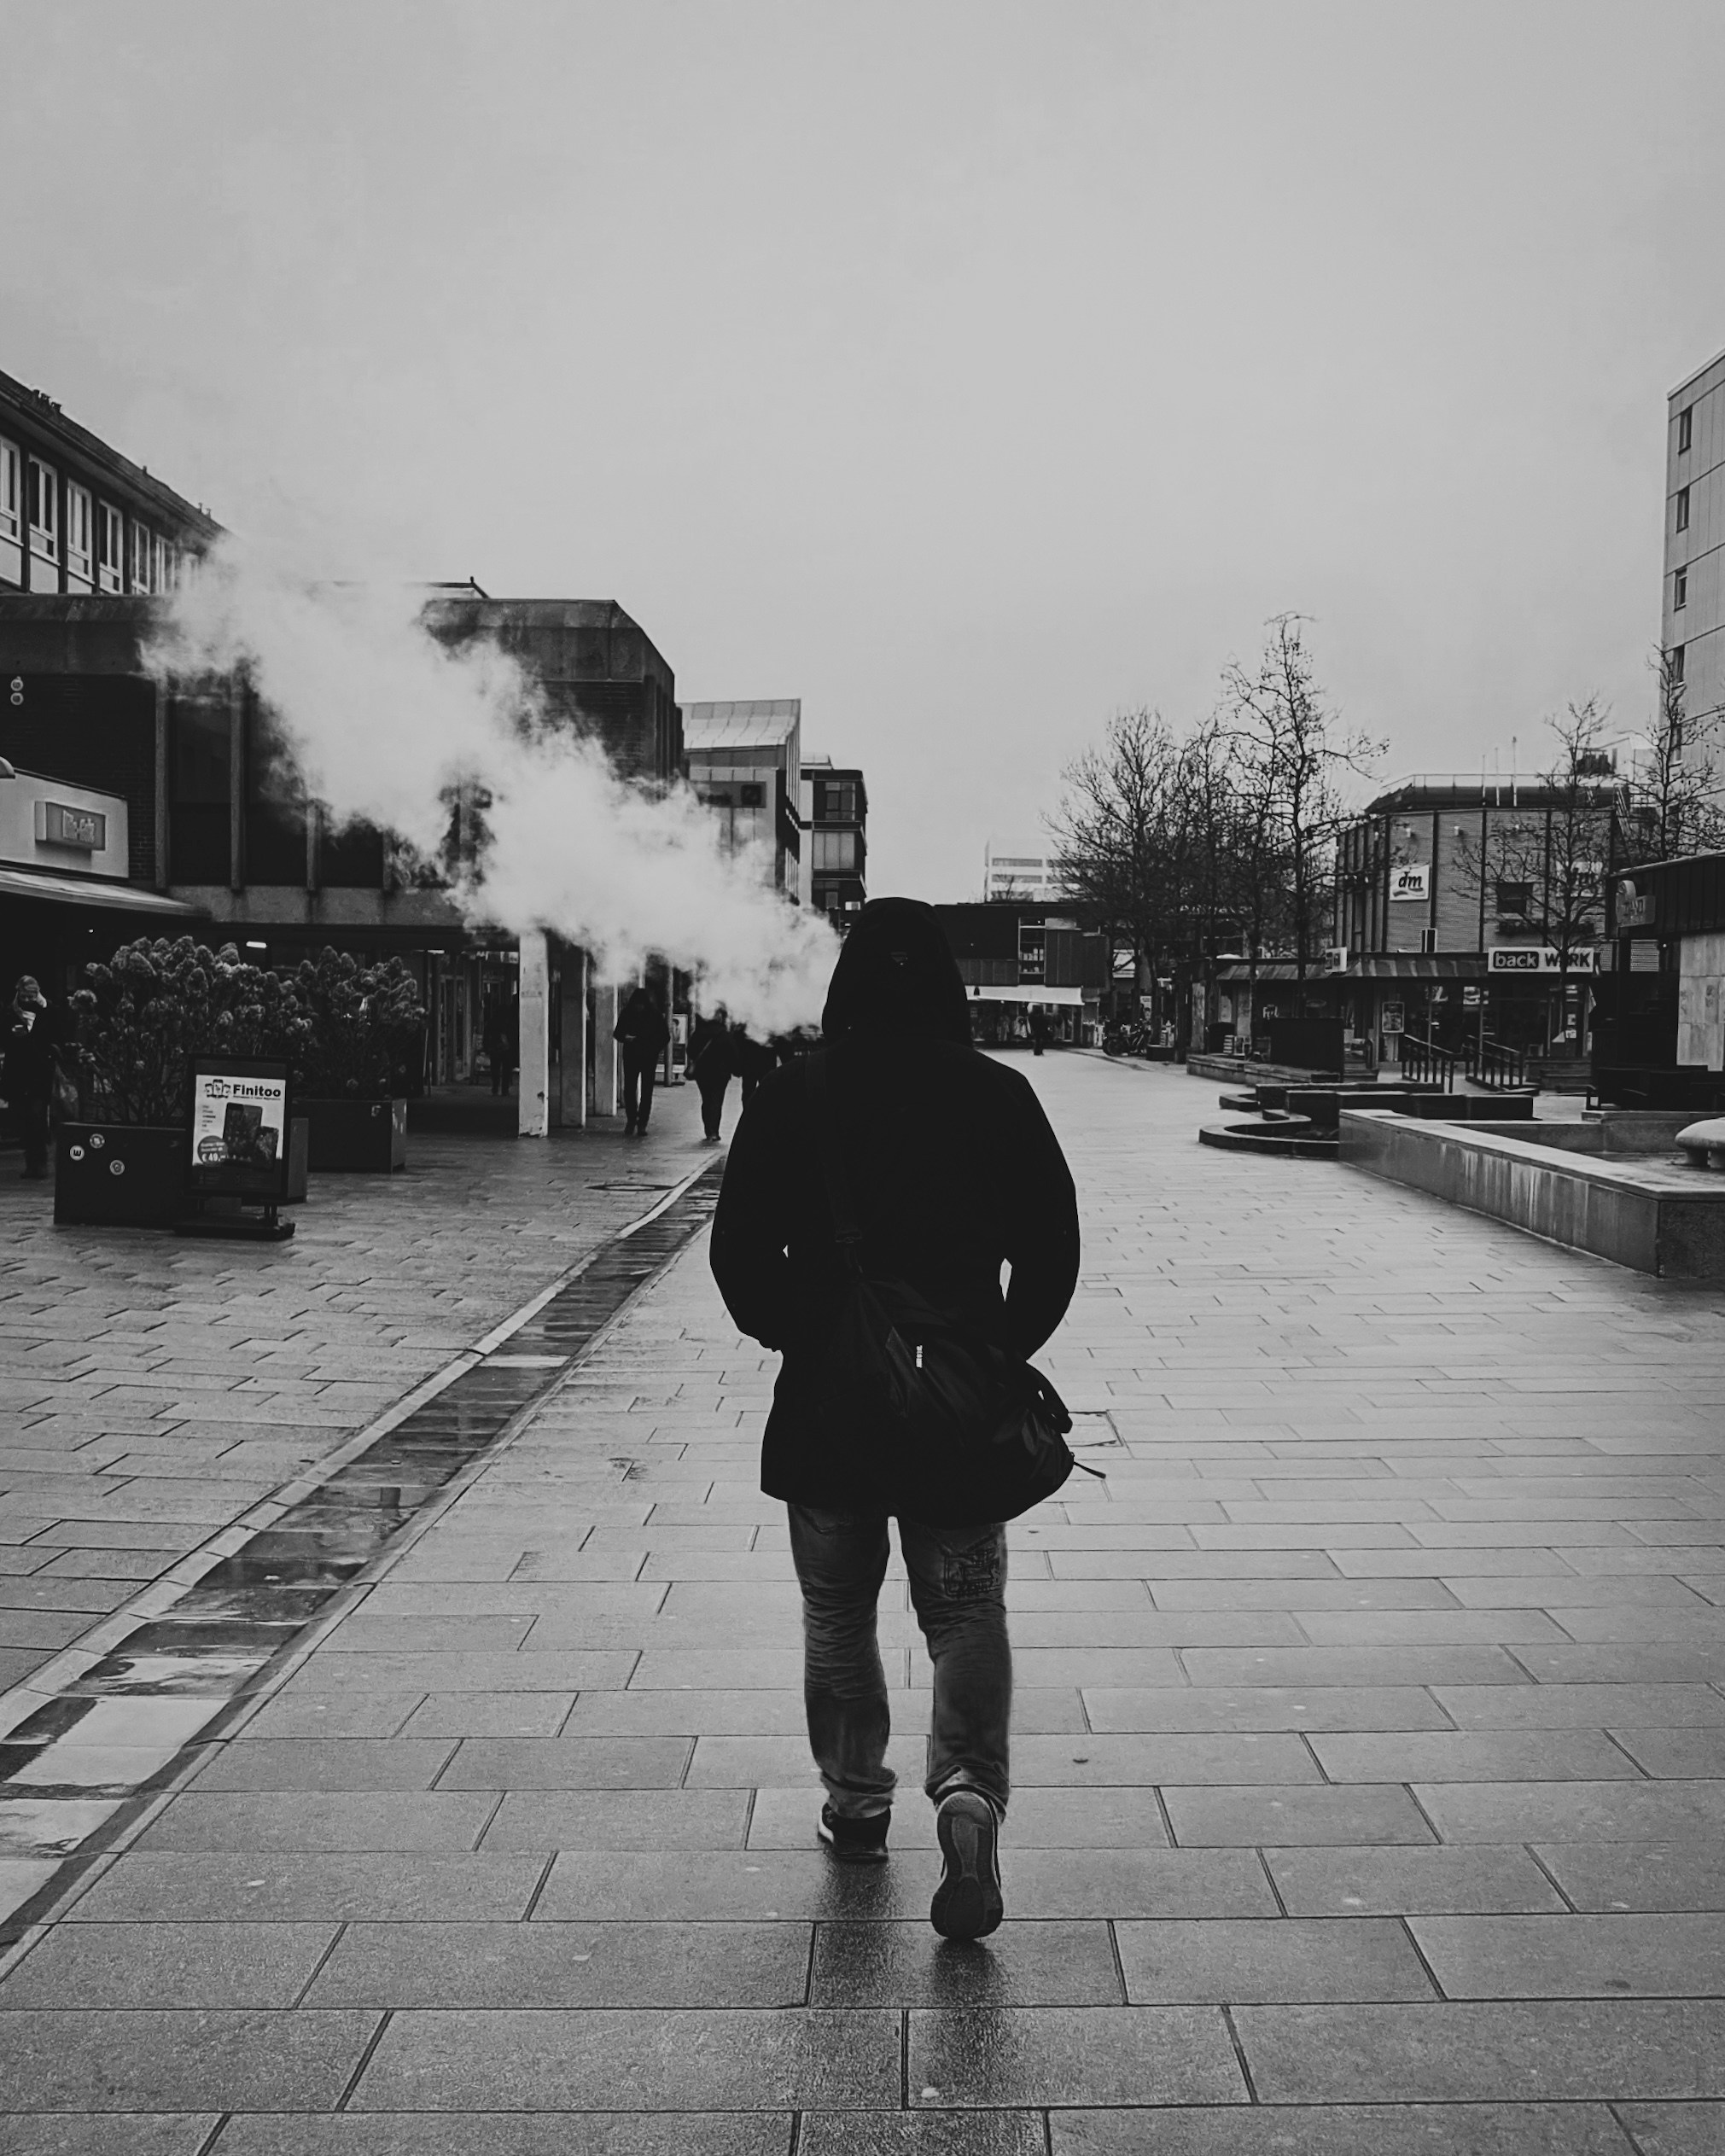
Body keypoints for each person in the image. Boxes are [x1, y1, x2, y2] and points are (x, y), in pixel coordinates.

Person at [710, 898, 1080, 1940]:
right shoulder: (998, 1096)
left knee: (837, 1615)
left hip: (828, 1412)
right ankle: (965, 1792)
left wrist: (808, 1335)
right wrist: (993, 1350)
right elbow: (1053, 1251)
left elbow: (738, 1262)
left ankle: (856, 1800)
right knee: (963, 1610)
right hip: (957, 1413)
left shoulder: (791, 1098)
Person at [2, 976, 62, 1180]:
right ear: (18, 992)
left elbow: (57, 1034)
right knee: (23, 1118)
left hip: (40, 1070)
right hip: (18, 1071)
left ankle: (41, 1162)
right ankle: (30, 1163)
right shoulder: (10, 1011)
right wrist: (13, 1035)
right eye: (26, 995)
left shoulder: (48, 1010)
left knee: (37, 1116)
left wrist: (50, 1051)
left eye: (33, 994)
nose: (30, 999)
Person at [614, 984, 670, 1136]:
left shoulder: (655, 1016)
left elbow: (665, 1036)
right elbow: (617, 1032)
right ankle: (632, 1119)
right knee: (629, 1089)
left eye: (641, 1005)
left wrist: (653, 1047)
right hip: (633, 1056)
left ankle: (642, 1122)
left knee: (646, 1091)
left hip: (647, 1057)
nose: (638, 1007)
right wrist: (626, 1037)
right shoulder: (628, 1014)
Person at [688, 1010, 733, 1142]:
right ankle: (714, 1131)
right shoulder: (724, 1034)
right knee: (716, 1101)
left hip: (702, 1073)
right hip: (720, 1074)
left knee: (706, 1100)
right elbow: (733, 1053)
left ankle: (708, 1130)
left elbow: (690, 1050)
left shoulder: (700, 1032)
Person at [482, 988, 518, 1098]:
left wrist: (486, 1046)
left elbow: (486, 1034)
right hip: (507, 1049)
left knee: (495, 1069)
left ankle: (495, 1087)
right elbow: (513, 1035)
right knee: (506, 1070)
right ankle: (505, 1089)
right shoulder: (509, 1022)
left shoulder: (492, 1022)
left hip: (495, 1049)